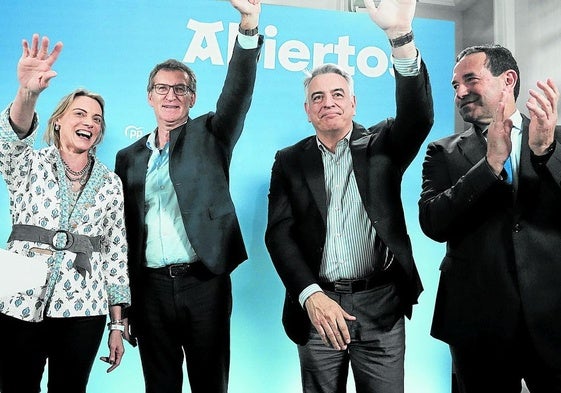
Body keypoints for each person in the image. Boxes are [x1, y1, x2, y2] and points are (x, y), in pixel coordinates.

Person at [264, 1, 433, 392]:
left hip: (380, 305)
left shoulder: (384, 145)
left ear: (353, 103)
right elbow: (279, 234)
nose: (329, 102)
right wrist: (310, 295)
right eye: (318, 97)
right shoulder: (289, 161)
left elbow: (419, 115)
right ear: (308, 111)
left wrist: (400, 37)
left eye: (338, 93)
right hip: (318, 308)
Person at [114, 1, 262, 392]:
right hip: (150, 290)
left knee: (210, 384)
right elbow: (122, 232)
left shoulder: (212, 134)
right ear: (149, 97)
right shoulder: (127, 158)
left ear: (193, 98)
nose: (171, 95)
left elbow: (238, 91)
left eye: (180, 89)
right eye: (162, 88)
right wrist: (124, 303)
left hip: (203, 282)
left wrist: (248, 25)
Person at [418, 44, 561, 392]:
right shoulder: (442, 151)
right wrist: (491, 165)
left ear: (507, 79)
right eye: (455, 86)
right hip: (475, 322)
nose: (460, 92)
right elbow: (434, 224)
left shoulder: (556, 139)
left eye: (470, 80)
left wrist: (545, 155)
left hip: (553, 315)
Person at [0, 34, 131, 393]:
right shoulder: (28, 163)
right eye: (79, 113)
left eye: (97, 119)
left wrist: (117, 326)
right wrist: (27, 93)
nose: (89, 122)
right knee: (15, 386)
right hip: (19, 298)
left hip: (84, 308)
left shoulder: (110, 183)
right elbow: (10, 139)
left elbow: (115, 255)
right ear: (58, 121)